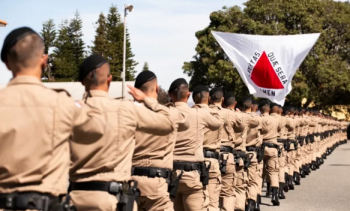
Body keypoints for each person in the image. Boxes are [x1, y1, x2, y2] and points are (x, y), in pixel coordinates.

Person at [0, 27, 106, 211]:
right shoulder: (61, 104)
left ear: (7, 63)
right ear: (44, 61)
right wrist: (90, 96)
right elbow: (97, 130)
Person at [69, 56, 176, 211]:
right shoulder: (125, 110)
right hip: (113, 199)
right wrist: (146, 99)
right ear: (109, 79)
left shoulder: (70, 110)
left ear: (81, 81)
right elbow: (169, 122)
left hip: (76, 199)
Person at [131, 71, 190, 211]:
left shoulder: (128, 113)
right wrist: (152, 103)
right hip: (157, 184)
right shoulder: (167, 114)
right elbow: (185, 122)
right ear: (157, 88)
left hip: (131, 182)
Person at [170, 79, 222, 211]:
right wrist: (211, 107)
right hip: (192, 174)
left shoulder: (165, 113)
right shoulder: (200, 114)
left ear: (170, 95)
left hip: (170, 175)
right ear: (188, 95)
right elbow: (218, 123)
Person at [192, 86, 225, 211]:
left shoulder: (188, 113)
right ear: (208, 98)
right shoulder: (221, 114)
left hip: (192, 161)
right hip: (211, 160)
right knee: (212, 202)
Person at [241, 96, 262, 211]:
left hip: (240, 152)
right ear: (253, 106)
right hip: (253, 152)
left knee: (241, 181)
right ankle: (252, 202)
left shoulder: (238, 117)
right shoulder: (257, 119)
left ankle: (241, 204)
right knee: (253, 180)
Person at [259, 100, 280, 206]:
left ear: (260, 109)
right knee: (273, 172)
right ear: (269, 109)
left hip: (261, 148)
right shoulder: (276, 120)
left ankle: (257, 199)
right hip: (272, 148)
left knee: (259, 174)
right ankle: (275, 195)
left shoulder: (258, 119)